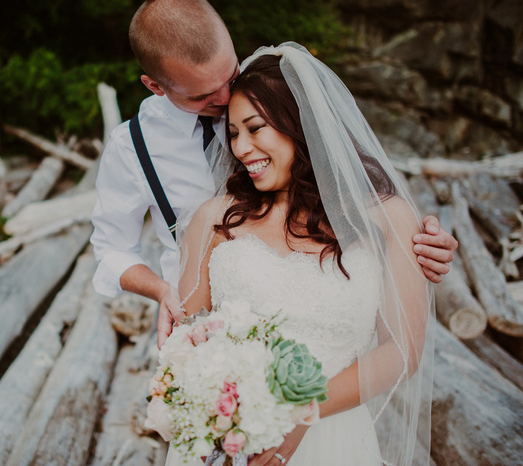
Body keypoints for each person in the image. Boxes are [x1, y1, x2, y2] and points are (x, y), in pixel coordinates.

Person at [90, 0, 455, 349]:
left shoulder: (271, 86)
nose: (225, 96)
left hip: (321, 317)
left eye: (230, 74)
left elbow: (340, 177)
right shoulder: (131, 148)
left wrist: (418, 241)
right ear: (156, 86)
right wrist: (161, 290)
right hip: (204, 337)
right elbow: (110, 249)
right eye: (203, 94)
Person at [171, 43, 433, 466]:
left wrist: (302, 413)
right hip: (231, 442)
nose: (240, 148)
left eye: (255, 128)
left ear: (301, 124)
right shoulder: (213, 219)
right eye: (234, 133)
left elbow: (403, 351)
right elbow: (186, 341)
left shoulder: (386, 218)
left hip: (336, 439)